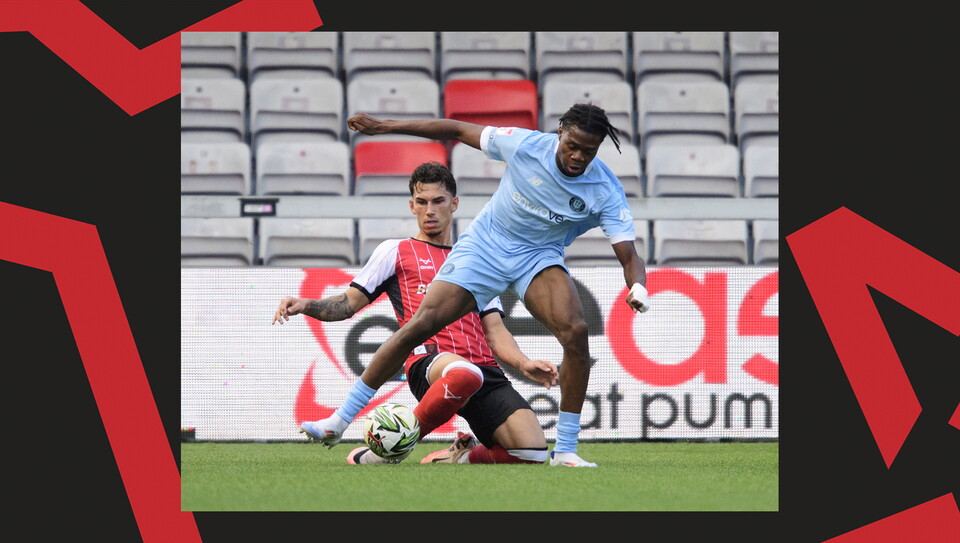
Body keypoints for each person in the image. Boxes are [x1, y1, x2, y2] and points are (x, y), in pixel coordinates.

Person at [298, 103, 651, 467]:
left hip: (538, 258)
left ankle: (564, 449)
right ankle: (338, 421)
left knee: (576, 333)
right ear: (560, 132)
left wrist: (637, 287)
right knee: (420, 325)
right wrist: (385, 126)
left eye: (588, 151)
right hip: (485, 247)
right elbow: (454, 128)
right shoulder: (525, 145)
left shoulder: (604, 189)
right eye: (572, 145)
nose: (578, 156)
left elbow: (629, 255)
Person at [274, 161, 559, 465]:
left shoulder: (479, 259)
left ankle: (458, 456)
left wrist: (523, 363)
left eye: (438, 201)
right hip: (430, 362)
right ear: (412, 206)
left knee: (531, 453)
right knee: (464, 373)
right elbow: (348, 304)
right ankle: (390, 446)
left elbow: (495, 329)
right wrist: (306, 305)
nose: (430, 210)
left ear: (455, 204)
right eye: (421, 203)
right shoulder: (395, 251)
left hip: (484, 370)